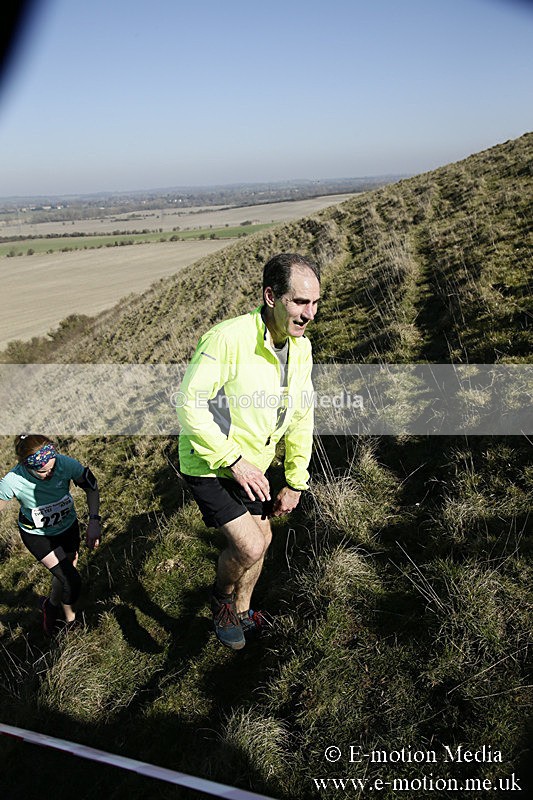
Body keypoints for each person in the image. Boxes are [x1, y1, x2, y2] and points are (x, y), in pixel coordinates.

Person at [176, 252, 320, 649]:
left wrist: (295, 480)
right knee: (250, 544)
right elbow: (189, 403)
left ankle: (242, 610)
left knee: (264, 541)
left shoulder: (300, 347)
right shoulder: (227, 339)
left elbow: (301, 415)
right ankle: (221, 600)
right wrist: (233, 460)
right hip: (210, 462)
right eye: (300, 302)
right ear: (271, 296)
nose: (309, 314)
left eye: (315, 303)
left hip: (251, 463)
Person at [0, 434, 101, 635]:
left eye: (53, 468)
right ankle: (71, 621)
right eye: (43, 471)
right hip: (38, 535)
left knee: (67, 570)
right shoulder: (13, 480)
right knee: (71, 580)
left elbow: (91, 487)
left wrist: (94, 521)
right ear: (26, 466)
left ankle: (50, 605)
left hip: (67, 526)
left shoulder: (65, 463)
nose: (50, 474)